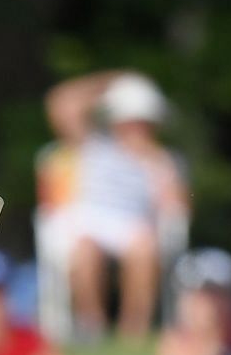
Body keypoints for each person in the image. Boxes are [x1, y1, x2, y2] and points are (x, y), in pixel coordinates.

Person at [42, 71, 189, 340]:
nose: (136, 128)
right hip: (88, 221)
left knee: (144, 248)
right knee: (85, 251)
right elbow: (61, 102)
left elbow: (176, 207)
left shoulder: (163, 159)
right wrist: (113, 81)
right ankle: (92, 326)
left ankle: (134, 329)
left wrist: (157, 167)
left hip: (134, 224)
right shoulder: (93, 145)